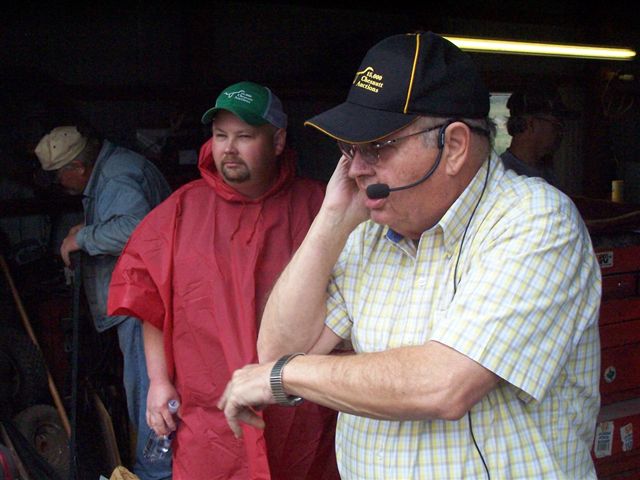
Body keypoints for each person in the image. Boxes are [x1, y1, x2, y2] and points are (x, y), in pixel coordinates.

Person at [218, 32, 602, 479]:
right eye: (350, 150)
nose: (356, 169)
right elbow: (280, 350)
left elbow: (445, 384)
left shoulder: (535, 219)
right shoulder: (369, 229)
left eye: (377, 147)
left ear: (454, 147)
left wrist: (285, 378)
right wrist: (331, 220)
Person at [107, 81, 340, 480]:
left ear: (278, 141)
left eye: (244, 136)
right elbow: (150, 302)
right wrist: (158, 382)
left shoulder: (322, 208)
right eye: (220, 135)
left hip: (297, 409)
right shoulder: (181, 210)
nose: (228, 148)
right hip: (209, 411)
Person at [34, 124, 173, 480]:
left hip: (144, 304)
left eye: (59, 176)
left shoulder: (115, 177)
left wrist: (85, 237)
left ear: (77, 167)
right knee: (146, 386)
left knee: (148, 388)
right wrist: (85, 229)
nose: (59, 184)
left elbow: (135, 227)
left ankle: (156, 471)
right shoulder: (114, 169)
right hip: (142, 300)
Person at [501, 82, 577, 185]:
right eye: (557, 125)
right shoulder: (504, 176)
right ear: (531, 124)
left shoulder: (547, 171)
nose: (561, 133)